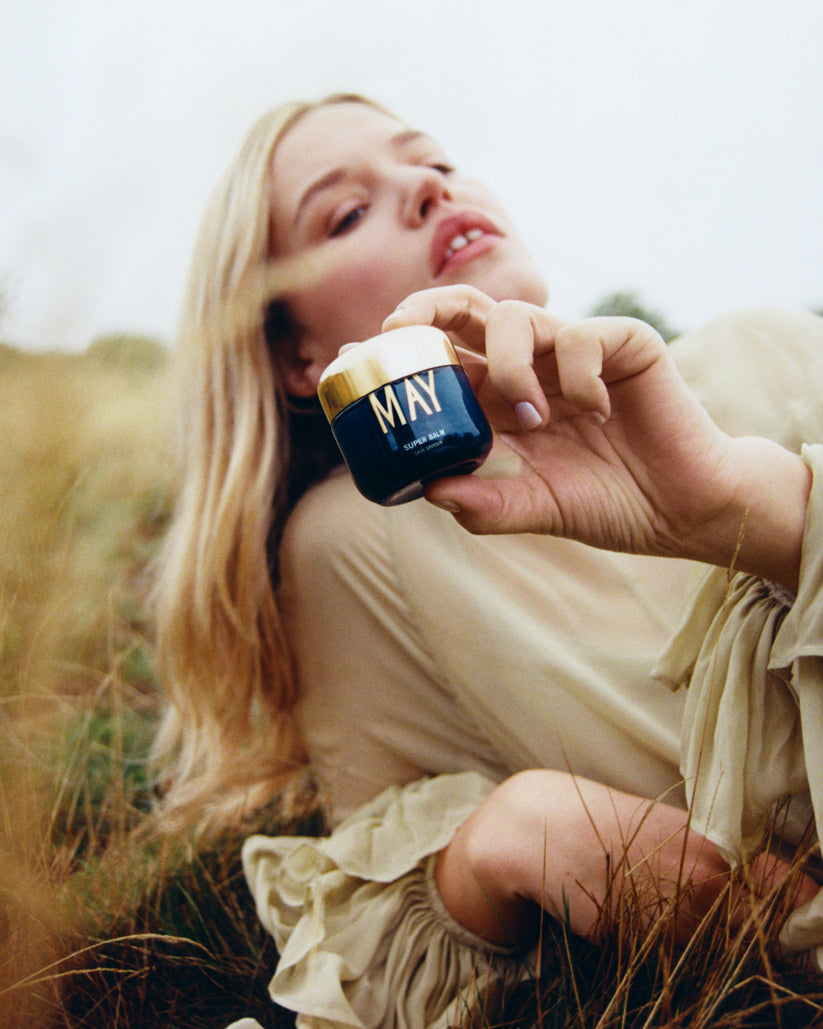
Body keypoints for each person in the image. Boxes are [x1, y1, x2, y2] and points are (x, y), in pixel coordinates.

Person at [151, 93, 823, 1027]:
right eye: (345, 212)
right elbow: (373, 947)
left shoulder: (769, 351)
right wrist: (506, 838)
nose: (429, 188)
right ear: (297, 356)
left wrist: (743, 508)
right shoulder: (356, 539)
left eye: (432, 160)